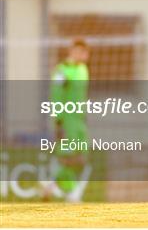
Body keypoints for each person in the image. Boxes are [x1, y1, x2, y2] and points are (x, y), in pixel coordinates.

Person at [42, 38, 90, 202]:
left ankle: (51, 183)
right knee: (67, 156)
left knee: (82, 155)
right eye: (80, 51)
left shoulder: (83, 69)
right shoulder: (62, 71)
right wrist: (58, 120)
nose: (84, 55)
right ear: (72, 52)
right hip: (66, 120)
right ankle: (71, 193)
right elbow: (56, 95)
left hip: (80, 121)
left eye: (85, 52)